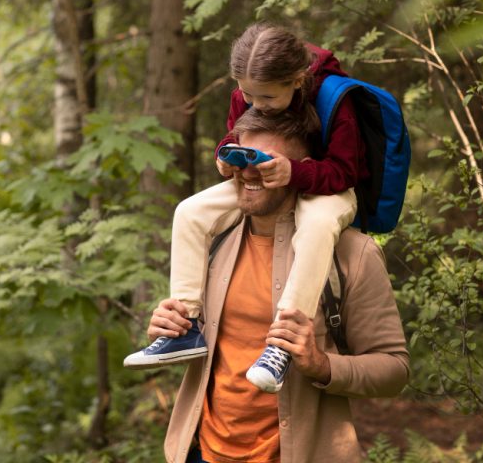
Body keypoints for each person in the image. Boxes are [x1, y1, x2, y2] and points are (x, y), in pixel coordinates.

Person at [153, 110, 409, 463]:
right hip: (199, 452)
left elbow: (394, 370)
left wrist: (321, 365)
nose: (247, 172)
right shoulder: (212, 240)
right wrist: (173, 324)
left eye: (263, 162)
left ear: (301, 168)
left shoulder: (353, 254)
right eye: (240, 157)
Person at [124, 23, 366, 394]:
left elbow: (347, 170)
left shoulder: (334, 96)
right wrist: (225, 156)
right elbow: (236, 132)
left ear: (298, 80)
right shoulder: (250, 93)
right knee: (189, 211)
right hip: (263, 180)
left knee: (317, 225)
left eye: (267, 98)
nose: (255, 105)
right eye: (246, 94)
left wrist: (295, 171)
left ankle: (282, 344)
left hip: (322, 187)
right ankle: (186, 327)